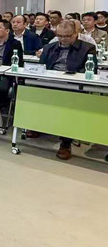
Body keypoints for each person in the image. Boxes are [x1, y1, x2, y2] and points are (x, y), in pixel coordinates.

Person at [39, 20, 97, 160]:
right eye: (59, 36)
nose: (63, 39)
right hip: (50, 83)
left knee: (69, 104)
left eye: (67, 36)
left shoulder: (87, 48)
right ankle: (35, 126)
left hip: (73, 85)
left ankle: (65, 142)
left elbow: (90, 70)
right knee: (29, 93)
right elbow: (41, 68)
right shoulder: (49, 47)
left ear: (75, 34)